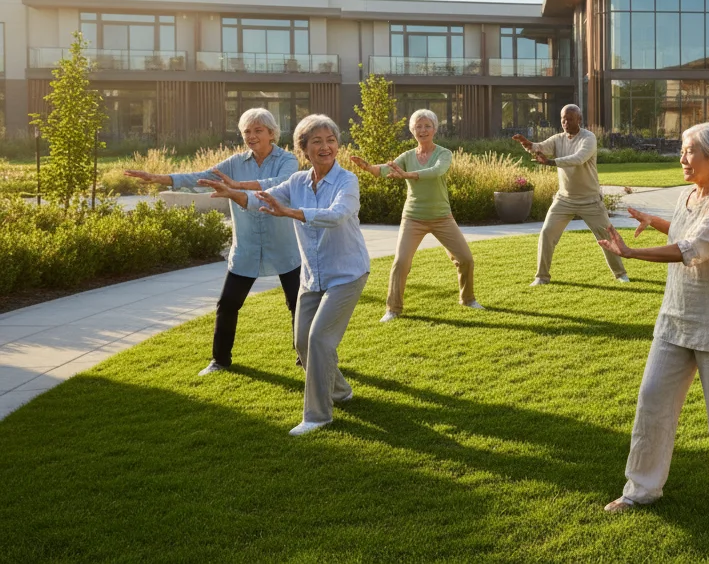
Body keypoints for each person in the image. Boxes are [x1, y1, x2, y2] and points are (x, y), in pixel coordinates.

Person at [597, 123, 709, 511]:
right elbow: (684, 230)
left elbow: (692, 247)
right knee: (652, 399)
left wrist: (632, 254)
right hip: (675, 316)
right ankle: (641, 488)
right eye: (682, 150)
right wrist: (657, 222)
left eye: (689, 151)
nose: (682, 158)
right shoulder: (687, 196)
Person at [205, 114, 370, 436]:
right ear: (304, 149)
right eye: (317, 142)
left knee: (320, 340)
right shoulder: (297, 182)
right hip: (313, 277)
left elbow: (337, 215)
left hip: (346, 273)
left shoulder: (347, 180)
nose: (326, 147)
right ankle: (340, 392)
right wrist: (233, 193)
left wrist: (291, 212)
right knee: (303, 344)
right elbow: (261, 199)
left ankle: (317, 416)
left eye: (331, 140)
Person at [124, 108, 302, 376]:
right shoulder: (234, 162)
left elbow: (281, 184)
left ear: (271, 133)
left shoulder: (287, 160)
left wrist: (236, 187)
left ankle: (305, 356)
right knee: (228, 303)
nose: (251, 136)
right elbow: (200, 178)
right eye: (246, 132)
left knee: (298, 304)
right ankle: (219, 360)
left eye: (257, 131)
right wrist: (159, 178)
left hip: (284, 246)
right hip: (247, 248)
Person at [352, 109, 482, 320]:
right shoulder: (407, 156)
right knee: (401, 262)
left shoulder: (443, 154)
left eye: (427, 126)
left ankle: (468, 299)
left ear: (434, 129)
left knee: (466, 259)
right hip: (413, 217)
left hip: (442, 217)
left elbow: (437, 171)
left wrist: (408, 175)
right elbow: (385, 169)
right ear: (413, 131)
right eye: (418, 127)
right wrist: (367, 167)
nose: (423, 130)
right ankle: (393, 309)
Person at [512, 104, 628, 287]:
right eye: (563, 119)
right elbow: (540, 147)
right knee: (547, 233)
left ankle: (620, 273)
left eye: (570, 119)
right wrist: (528, 145)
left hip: (590, 200)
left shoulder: (588, 138)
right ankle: (542, 277)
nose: (565, 122)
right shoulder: (558, 139)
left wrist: (550, 162)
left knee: (607, 235)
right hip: (564, 199)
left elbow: (578, 158)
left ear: (579, 120)